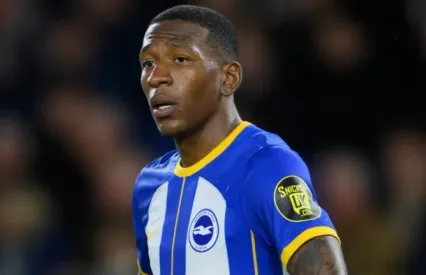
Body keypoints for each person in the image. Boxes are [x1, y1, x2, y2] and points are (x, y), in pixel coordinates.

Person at [132, 5, 347, 275]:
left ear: (229, 78)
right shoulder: (149, 188)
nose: (156, 77)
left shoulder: (265, 164)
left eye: (180, 59)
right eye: (148, 63)